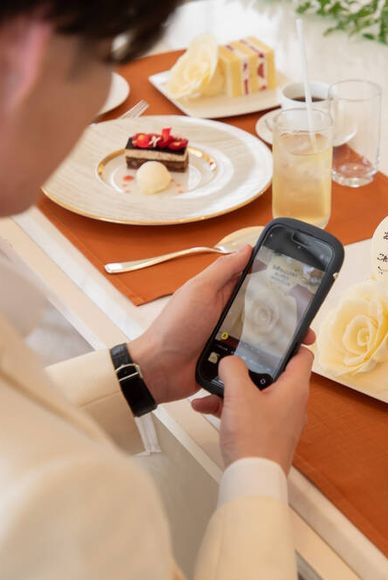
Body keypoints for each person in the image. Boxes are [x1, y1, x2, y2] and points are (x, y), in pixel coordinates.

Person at [0, 2, 314, 578]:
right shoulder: (62, 502)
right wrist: (258, 468)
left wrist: (145, 365)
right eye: (106, 58)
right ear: (34, 56)